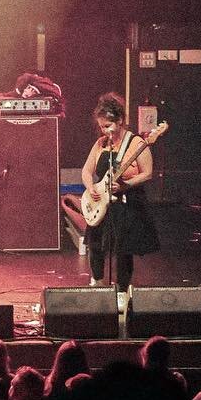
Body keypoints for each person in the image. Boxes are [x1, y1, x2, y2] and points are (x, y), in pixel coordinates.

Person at [81, 91, 159, 309]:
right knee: (95, 245)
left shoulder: (136, 143)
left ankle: (122, 290)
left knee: (123, 249)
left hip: (126, 203)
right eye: (102, 126)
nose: (106, 130)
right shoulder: (101, 144)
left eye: (109, 125)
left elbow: (148, 173)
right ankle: (96, 282)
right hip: (101, 202)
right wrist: (91, 187)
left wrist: (126, 184)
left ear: (121, 120)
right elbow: (87, 171)